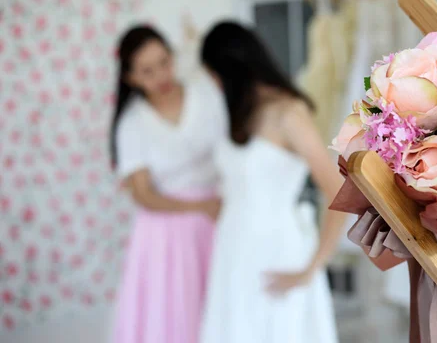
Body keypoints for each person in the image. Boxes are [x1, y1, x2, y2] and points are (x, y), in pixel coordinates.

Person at [200, 21, 347, 343]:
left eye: (214, 76)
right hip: (232, 249)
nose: (214, 85)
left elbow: (338, 192)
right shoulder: (238, 114)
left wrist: (313, 266)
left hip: (278, 251)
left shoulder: (289, 113)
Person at [109, 25, 226, 343]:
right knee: (173, 316)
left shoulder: (206, 95)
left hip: (218, 217)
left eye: (164, 62)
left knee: (221, 309)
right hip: (165, 232)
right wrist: (199, 206)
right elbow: (144, 194)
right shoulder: (132, 123)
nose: (161, 75)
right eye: (147, 71)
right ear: (131, 78)